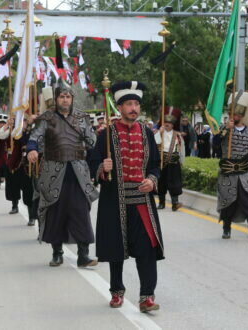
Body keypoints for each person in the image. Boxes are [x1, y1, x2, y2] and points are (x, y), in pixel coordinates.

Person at [90, 81, 164, 313]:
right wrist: (103, 165)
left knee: (147, 249)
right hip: (114, 199)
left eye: (136, 104)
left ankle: (147, 297)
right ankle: (116, 291)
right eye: (129, 104)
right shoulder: (105, 135)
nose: (134, 108)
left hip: (142, 201)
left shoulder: (148, 134)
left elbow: (155, 165)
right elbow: (91, 162)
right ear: (119, 107)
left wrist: (152, 180)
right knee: (115, 248)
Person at [26, 80, 99, 268]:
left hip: (77, 173)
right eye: (62, 96)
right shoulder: (46, 118)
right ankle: (57, 253)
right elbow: (34, 138)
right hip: (54, 172)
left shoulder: (82, 118)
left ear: (72, 99)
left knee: (80, 213)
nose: (65, 100)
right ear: (56, 99)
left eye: (68, 96)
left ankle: (84, 255)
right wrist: (32, 150)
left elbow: (93, 143)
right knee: (55, 213)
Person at [217, 92, 248, 241]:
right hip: (228, 171)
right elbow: (215, 143)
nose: (235, 116)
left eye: (238, 114)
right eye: (233, 113)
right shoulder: (224, 129)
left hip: (245, 171)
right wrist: (226, 129)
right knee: (228, 201)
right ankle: (226, 228)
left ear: (243, 115)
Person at [155, 109, 185, 211]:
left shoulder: (178, 135)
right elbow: (155, 143)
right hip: (162, 163)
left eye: (169, 123)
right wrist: (159, 132)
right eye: (166, 123)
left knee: (175, 184)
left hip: (174, 163)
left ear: (173, 125)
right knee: (161, 183)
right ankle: (161, 203)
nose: (167, 125)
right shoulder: (159, 133)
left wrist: (182, 161)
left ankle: (175, 203)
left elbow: (182, 149)